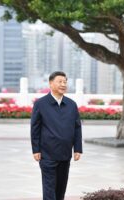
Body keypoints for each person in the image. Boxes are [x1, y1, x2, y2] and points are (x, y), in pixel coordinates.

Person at [31, 71, 83, 200]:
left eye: (65, 82)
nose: (63, 84)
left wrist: (77, 148)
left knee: (61, 188)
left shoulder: (71, 104)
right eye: (59, 81)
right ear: (50, 83)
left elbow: (77, 127)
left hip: (65, 154)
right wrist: (36, 149)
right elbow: (35, 128)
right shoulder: (40, 104)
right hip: (47, 153)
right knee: (49, 187)